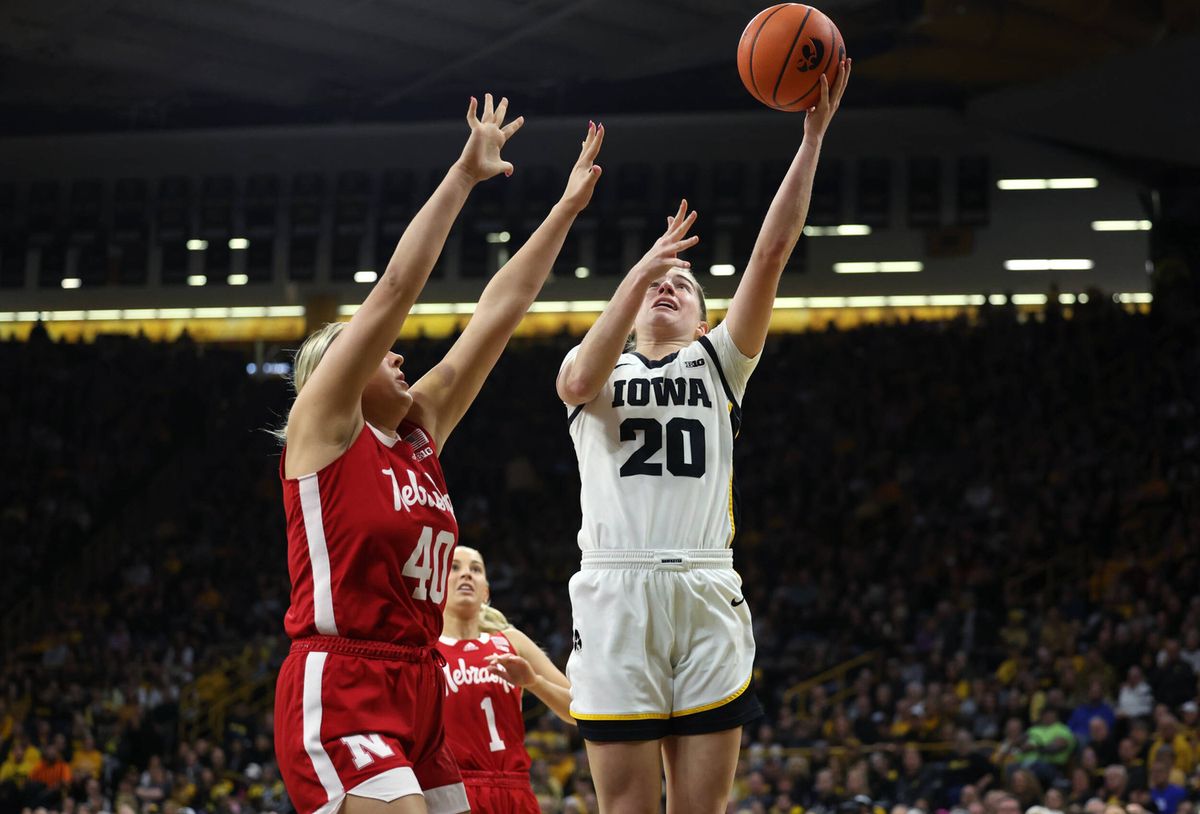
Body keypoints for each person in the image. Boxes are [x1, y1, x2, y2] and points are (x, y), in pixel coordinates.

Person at [274, 95, 604, 814]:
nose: (398, 353)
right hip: (344, 681)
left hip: (420, 680)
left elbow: (497, 312)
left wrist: (566, 210)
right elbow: (394, 290)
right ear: (339, 370)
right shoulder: (327, 428)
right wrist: (462, 177)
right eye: (377, 349)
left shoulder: (419, 434)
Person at [555, 61, 850, 813]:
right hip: (615, 587)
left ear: (702, 318)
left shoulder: (719, 362)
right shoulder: (595, 367)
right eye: (658, 279)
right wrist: (642, 267)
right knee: (626, 808)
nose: (668, 285)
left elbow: (770, 255)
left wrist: (812, 137)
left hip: (706, 584)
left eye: (683, 284)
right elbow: (577, 386)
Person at [436, 546, 573, 813]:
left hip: (515, 791)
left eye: (475, 569)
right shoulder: (423, 646)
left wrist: (534, 683)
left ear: (486, 591)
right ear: (437, 584)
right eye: (455, 567)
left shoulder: (511, 641)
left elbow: (578, 710)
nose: (466, 574)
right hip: (450, 791)